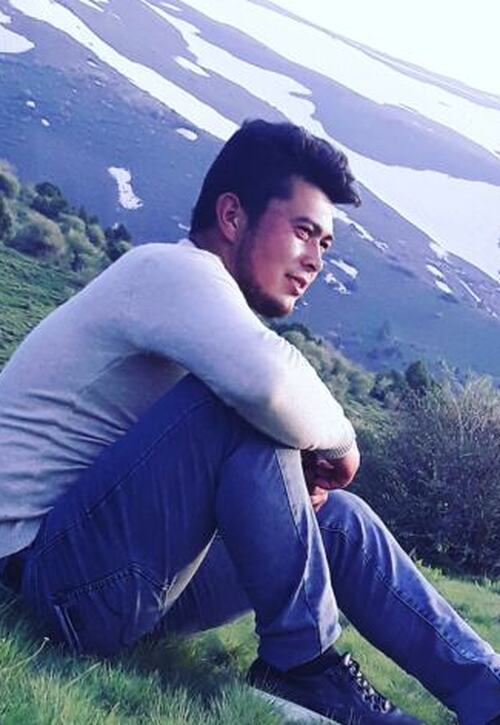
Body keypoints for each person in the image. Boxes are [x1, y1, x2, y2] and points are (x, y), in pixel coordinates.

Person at [0, 120, 498, 725]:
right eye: (303, 232)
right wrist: (342, 446)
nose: (315, 261)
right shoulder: (166, 271)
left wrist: (288, 480)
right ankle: (304, 667)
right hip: (40, 579)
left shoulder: (207, 311)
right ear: (232, 216)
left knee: (337, 521)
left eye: (325, 244)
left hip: (116, 579)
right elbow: (267, 386)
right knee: (243, 411)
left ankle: (489, 694)